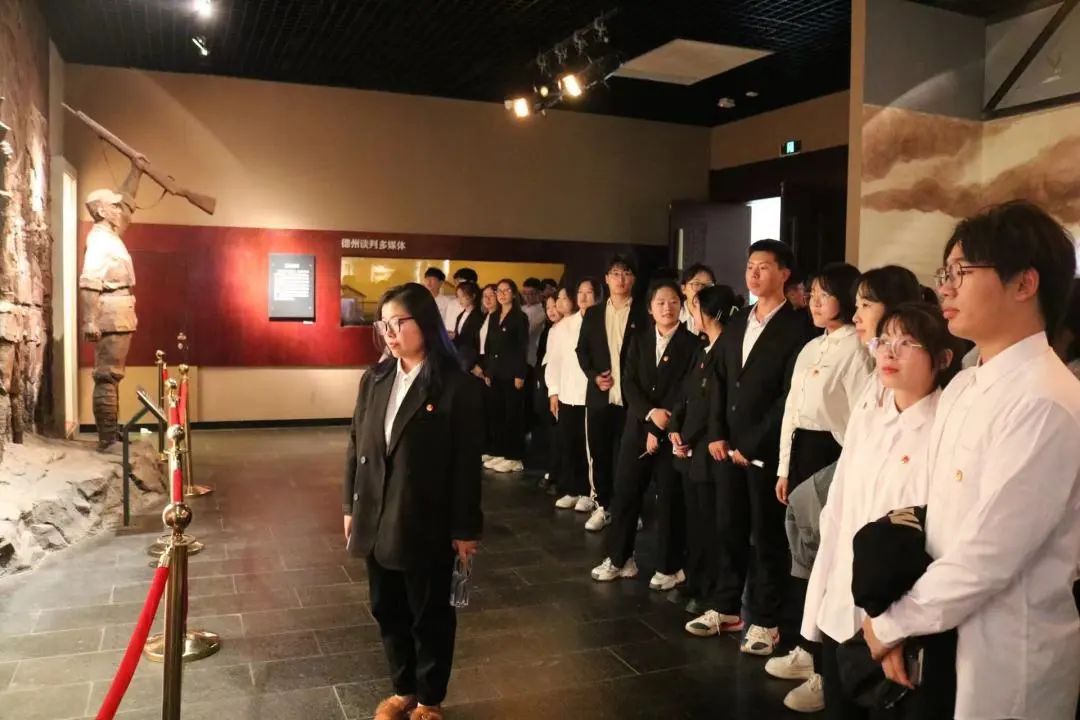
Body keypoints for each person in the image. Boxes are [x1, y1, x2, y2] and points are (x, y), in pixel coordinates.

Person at [862, 201, 1080, 720]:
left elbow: (990, 553)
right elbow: (940, 517)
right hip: (942, 627)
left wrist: (893, 624)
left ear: (1024, 283)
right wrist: (904, 621)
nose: (946, 288)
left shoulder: (1046, 400)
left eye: (961, 272)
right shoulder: (964, 385)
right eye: (945, 274)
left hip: (1006, 647)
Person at [768, 264, 920, 710]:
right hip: (843, 556)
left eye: (865, 304)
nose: (857, 315)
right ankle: (812, 649)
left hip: (882, 578)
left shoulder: (894, 382)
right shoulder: (869, 379)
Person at [800, 302, 954, 718]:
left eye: (907, 344)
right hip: (841, 609)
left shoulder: (946, 428)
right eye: (884, 341)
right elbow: (838, 511)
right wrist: (818, 607)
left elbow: (937, 538)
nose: (889, 352)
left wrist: (898, 626)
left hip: (897, 620)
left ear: (942, 358)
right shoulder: (870, 418)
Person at [342, 282, 482, 720]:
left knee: (428, 614)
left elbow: (466, 465)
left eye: (398, 323)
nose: (389, 333)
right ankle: (402, 688)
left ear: (425, 323)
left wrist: (465, 529)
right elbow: (356, 444)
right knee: (386, 608)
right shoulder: (375, 378)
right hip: (375, 513)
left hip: (424, 518)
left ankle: (428, 699)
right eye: (383, 324)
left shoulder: (455, 386)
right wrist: (350, 506)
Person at [704, 239, 817, 657]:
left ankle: (767, 621)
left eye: (764, 266)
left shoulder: (798, 326)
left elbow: (788, 396)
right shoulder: (738, 320)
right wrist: (717, 433)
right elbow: (719, 378)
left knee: (768, 535)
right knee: (728, 527)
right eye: (750, 266)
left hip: (766, 449)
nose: (753, 273)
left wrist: (749, 443)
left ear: (784, 273)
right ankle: (726, 607)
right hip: (727, 447)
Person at [591, 279, 699, 588]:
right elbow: (629, 383)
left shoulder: (692, 345)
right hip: (638, 426)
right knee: (625, 493)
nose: (667, 308)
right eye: (660, 302)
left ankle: (670, 566)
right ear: (650, 308)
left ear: (681, 306)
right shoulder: (638, 340)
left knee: (669, 500)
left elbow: (686, 390)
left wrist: (660, 425)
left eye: (673, 302)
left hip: (673, 432)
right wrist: (650, 416)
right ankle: (620, 558)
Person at [668, 284, 741, 615]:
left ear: (710, 313)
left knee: (714, 523)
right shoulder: (702, 348)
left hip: (711, 449)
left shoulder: (727, 349)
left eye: (694, 308)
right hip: (691, 448)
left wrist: (689, 435)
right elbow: (686, 395)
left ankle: (712, 588)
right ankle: (696, 579)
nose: (691, 315)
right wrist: (675, 428)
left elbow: (716, 403)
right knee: (696, 520)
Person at [576, 255, 648, 532]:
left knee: (630, 459)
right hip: (600, 397)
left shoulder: (643, 312)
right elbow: (582, 350)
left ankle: (629, 510)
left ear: (633, 279)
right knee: (600, 454)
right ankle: (603, 506)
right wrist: (594, 376)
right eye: (615, 273)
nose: (620, 279)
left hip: (633, 400)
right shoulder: (594, 314)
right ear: (606, 279)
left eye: (626, 273)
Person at [80, 163, 142, 450]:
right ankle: (107, 439)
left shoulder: (110, 236)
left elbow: (127, 204)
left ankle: (111, 434)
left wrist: (136, 171)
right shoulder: (99, 241)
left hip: (120, 309)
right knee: (107, 375)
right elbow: (89, 281)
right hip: (111, 310)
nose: (120, 210)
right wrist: (89, 320)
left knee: (112, 375)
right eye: (113, 206)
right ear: (102, 211)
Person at [548, 279, 599, 512]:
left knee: (590, 447)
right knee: (570, 442)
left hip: (592, 394)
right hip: (567, 392)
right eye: (580, 292)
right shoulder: (565, 325)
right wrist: (554, 391)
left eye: (589, 293)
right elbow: (555, 360)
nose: (584, 297)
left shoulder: (601, 322)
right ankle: (573, 488)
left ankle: (591, 493)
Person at [483, 279, 530, 474]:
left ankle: (514, 457)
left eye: (506, 290)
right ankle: (500, 452)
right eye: (499, 291)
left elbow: (522, 347)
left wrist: (520, 373)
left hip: (512, 373)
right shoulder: (494, 316)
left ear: (514, 293)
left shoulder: (520, 317)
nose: (501, 294)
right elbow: (489, 345)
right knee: (497, 414)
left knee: (512, 415)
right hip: (496, 372)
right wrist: (487, 371)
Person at [535, 294, 566, 492]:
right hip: (548, 384)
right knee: (551, 431)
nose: (552, 310)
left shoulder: (567, 328)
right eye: (548, 307)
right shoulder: (551, 329)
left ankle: (557, 473)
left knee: (559, 432)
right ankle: (552, 469)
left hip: (562, 387)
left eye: (555, 305)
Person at [476, 284, 499, 460]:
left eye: (492, 295)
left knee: (495, 409)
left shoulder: (500, 318)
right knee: (485, 409)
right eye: (485, 296)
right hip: (482, 362)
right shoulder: (485, 316)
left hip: (493, 365)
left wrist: (489, 370)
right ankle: (488, 447)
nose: (488, 299)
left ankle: (496, 448)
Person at [451, 281, 484, 375]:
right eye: (458, 296)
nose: (460, 300)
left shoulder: (479, 316)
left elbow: (476, 339)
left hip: (471, 355)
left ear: (473, 296)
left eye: (463, 296)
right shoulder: (461, 315)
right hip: (460, 353)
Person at [679, 263, 716, 335]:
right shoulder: (675, 315)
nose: (702, 289)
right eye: (696, 284)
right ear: (683, 288)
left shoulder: (717, 317)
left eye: (708, 285)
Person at [443, 267, 478, 336]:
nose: (456, 286)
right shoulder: (452, 304)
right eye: (455, 282)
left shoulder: (480, 308)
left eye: (458, 282)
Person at [423, 267, 453, 333]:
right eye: (427, 279)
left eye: (432, 279)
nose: (428, 282)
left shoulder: (448, 302)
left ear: (441, 283)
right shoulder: (419, 299)